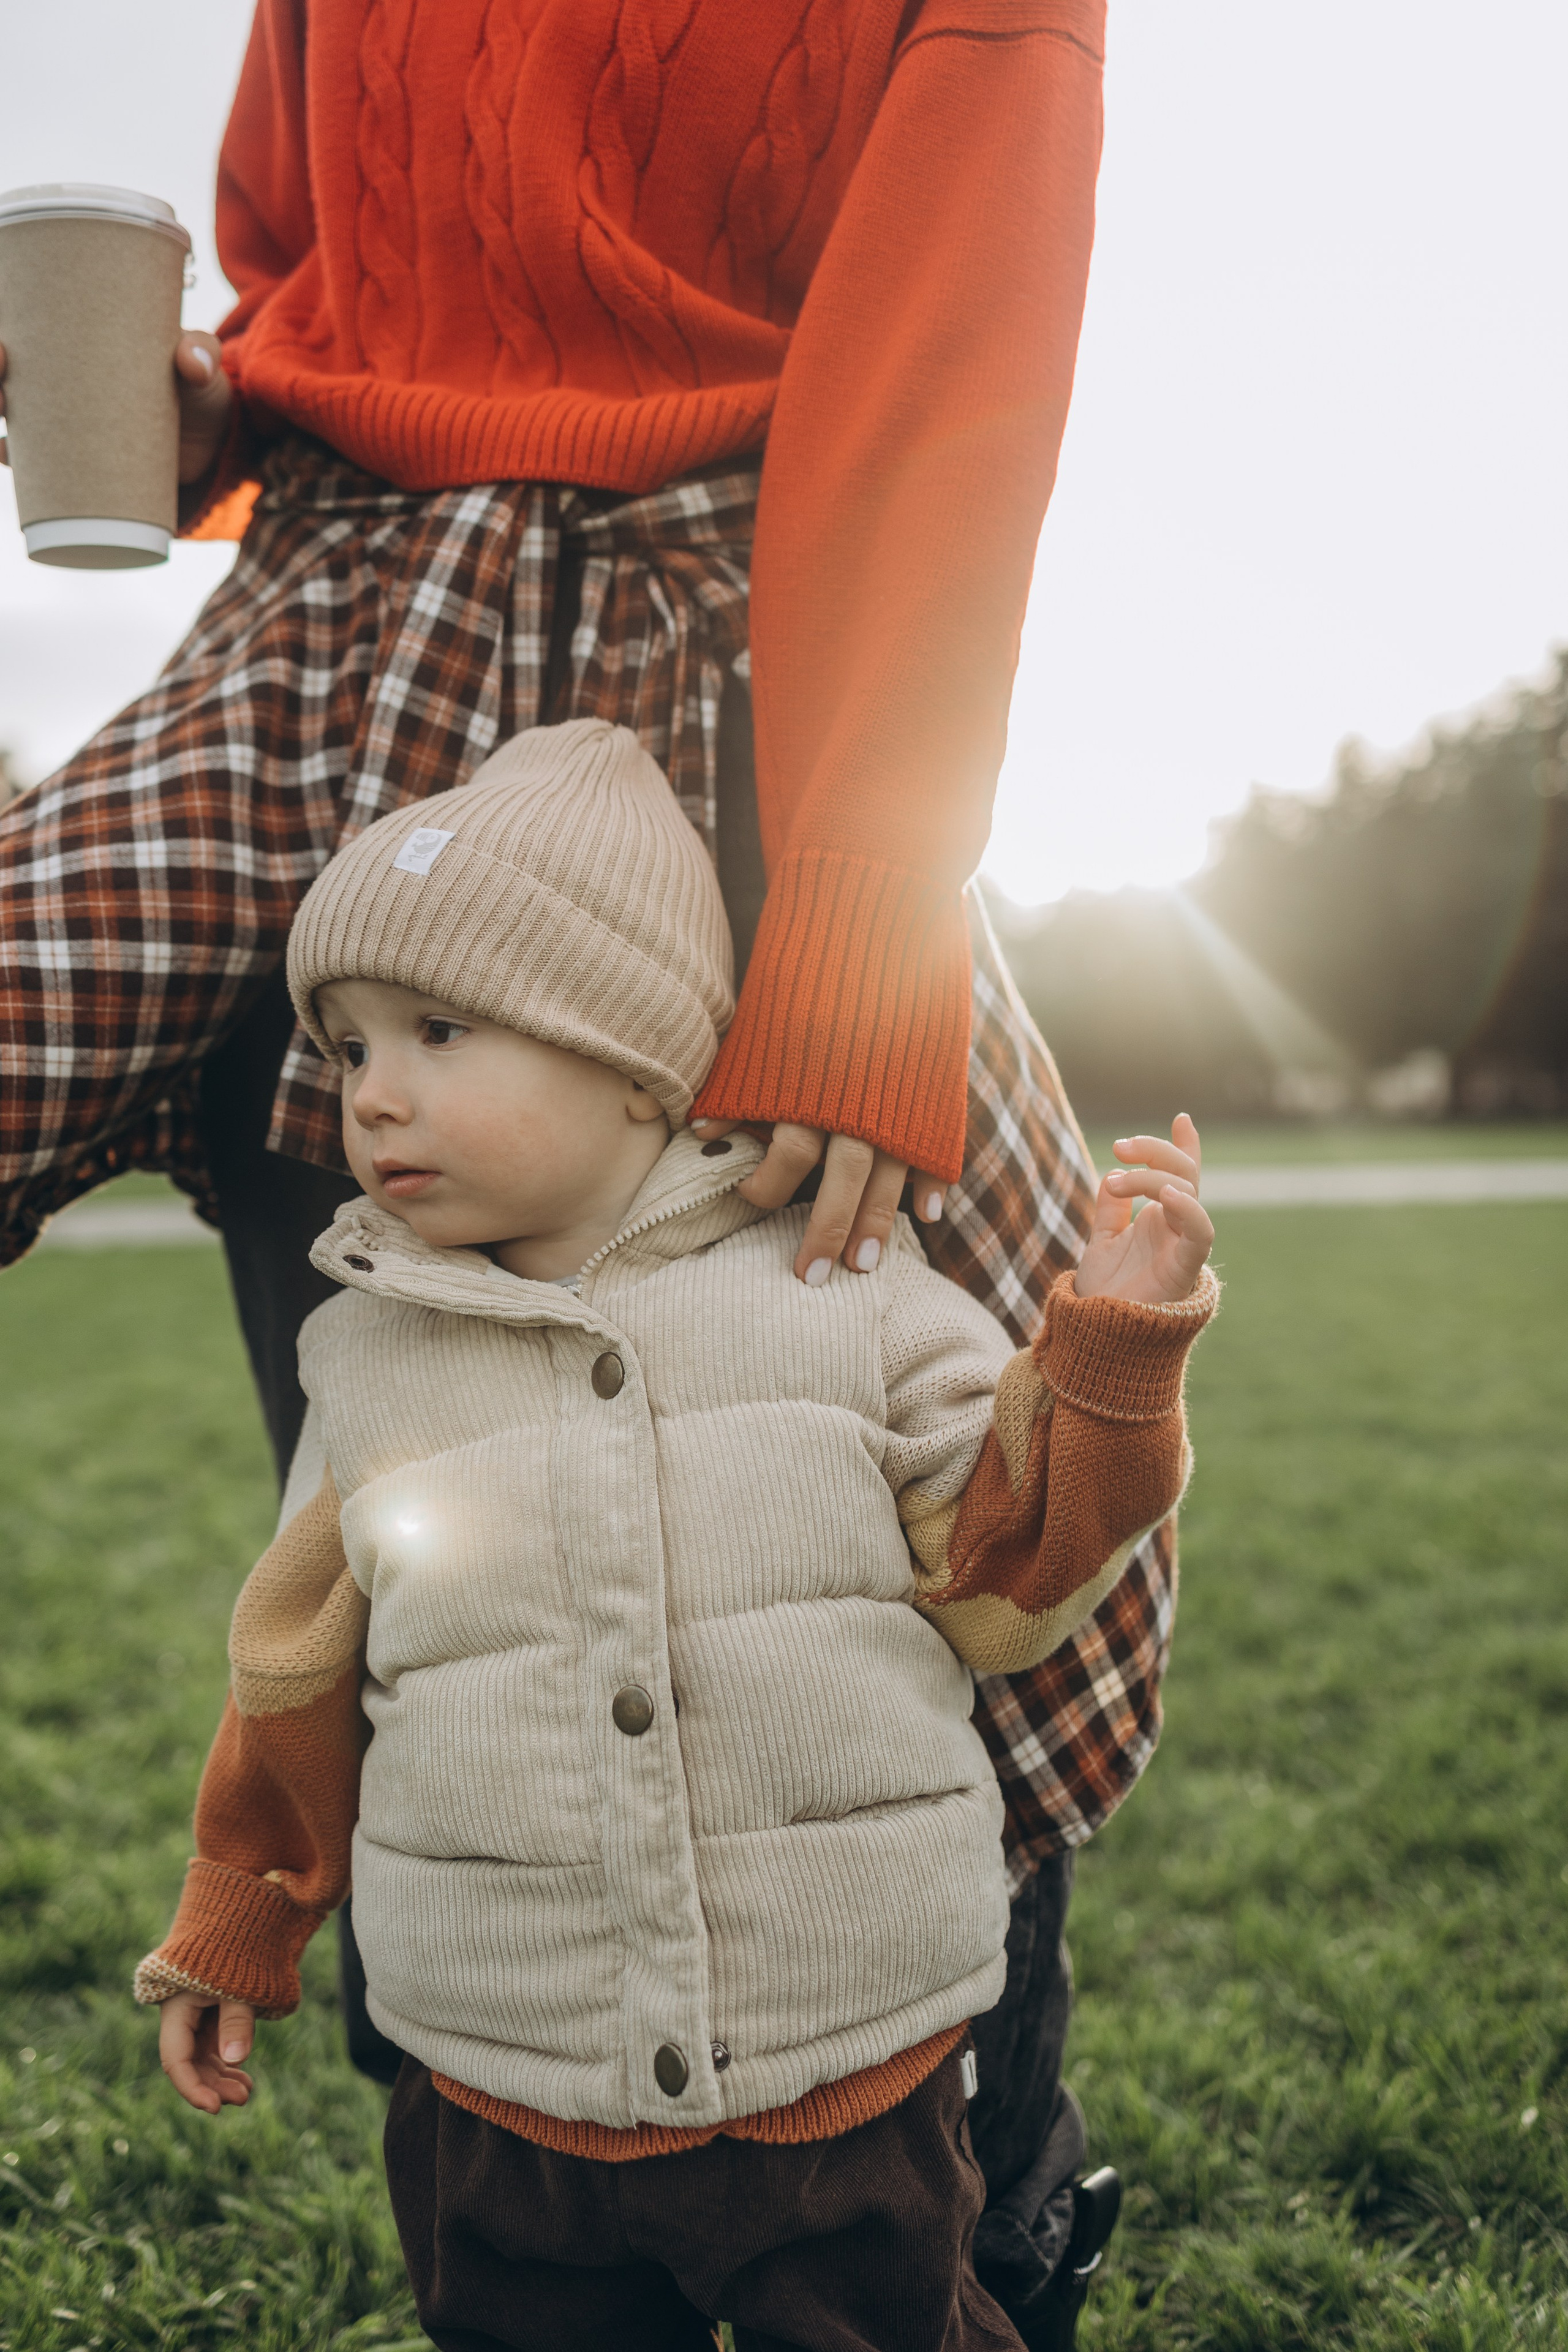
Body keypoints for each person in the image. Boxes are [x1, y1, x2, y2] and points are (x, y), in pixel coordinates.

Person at [0, 4, 1182, 2338]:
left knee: (892, 1515)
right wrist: (205, 406)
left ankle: (965, 2212)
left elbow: (957, 365)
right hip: (329, 649)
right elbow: (324, 298)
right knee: (434, 1540)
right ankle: (510, 2140)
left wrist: (858, 907)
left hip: (759, 669)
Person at [138, 722, 1217, 2352]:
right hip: (503, 2094)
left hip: (839, 2082)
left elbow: (1012, 1576)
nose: (375, 1095)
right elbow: (287, 1668)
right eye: (350, 1048)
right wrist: (244, 1901)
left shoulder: (846, 1291)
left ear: (638, 1059)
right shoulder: (362, 1356)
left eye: (436, 1029)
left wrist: (1110, 1361)